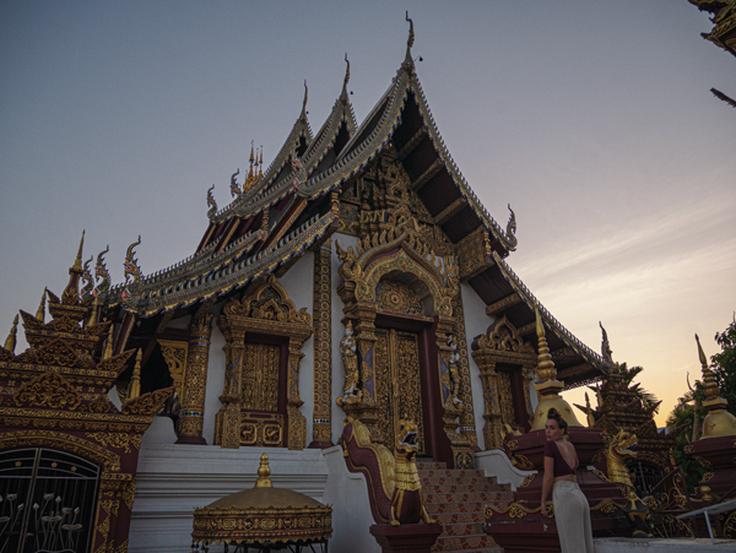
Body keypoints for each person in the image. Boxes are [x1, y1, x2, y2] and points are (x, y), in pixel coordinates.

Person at [540, 408, 595, 552]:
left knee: (571, 544)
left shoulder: (550, 446)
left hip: (564, 494)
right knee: (585, 542)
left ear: (562, 430)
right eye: (546, 428)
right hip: (579, 495)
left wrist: (543, 501)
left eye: (552, 428)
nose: (548, 431)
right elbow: (575, 465)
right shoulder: (570, 446)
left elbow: (549, 476)